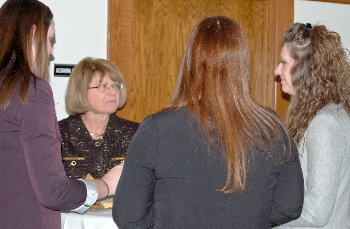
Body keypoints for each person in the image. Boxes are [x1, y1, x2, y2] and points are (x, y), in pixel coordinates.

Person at [113, 16, 304, 229]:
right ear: (242, 64)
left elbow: (129, 217)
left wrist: (171, 217)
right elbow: (289, 207)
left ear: (191, 62)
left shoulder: (157, 129)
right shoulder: (273, 127)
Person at [0, 1, 122, 228]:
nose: (51, 51)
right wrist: (105, 185)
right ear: (34, 31)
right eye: (50, 40)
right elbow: (53, 191)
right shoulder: (30, 91)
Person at [274, 23, 350, 228]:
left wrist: (265, 220)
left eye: (283, 62)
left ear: (305, 68)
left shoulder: (325, 124)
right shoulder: (334, 114)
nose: (277, 70)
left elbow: (316, 213)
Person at [59, 57, 139, 179]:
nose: (112, 91)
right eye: (103, 86)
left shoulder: (136, 133)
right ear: (81, 91)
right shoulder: (59, 134)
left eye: (115, 85)